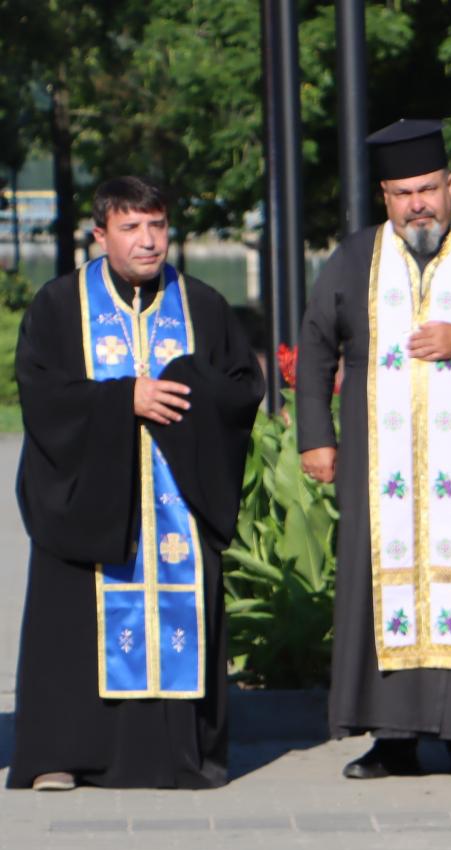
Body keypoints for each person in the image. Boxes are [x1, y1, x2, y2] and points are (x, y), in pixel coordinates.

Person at [296, 119, 451, 780]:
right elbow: (315, 346)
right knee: (381, 587)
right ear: (385, 197)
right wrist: (316, 437)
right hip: (381, 476)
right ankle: (392, 738)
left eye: (428, 188)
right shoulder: (353, 261)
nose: (418, 203)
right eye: (403, 193)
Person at [9, 176, 263, 791]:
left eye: (157, 226)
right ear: (100, 235)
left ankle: (173, 757)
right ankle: (64, 756)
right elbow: (42, 395)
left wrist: (188, 394)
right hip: (92, 498)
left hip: (177, 501)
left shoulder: (200, 304)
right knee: (77, 618)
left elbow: (239, 389)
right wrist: (127, 398)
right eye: (131, 228)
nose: (148, 242)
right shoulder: (59, 305)